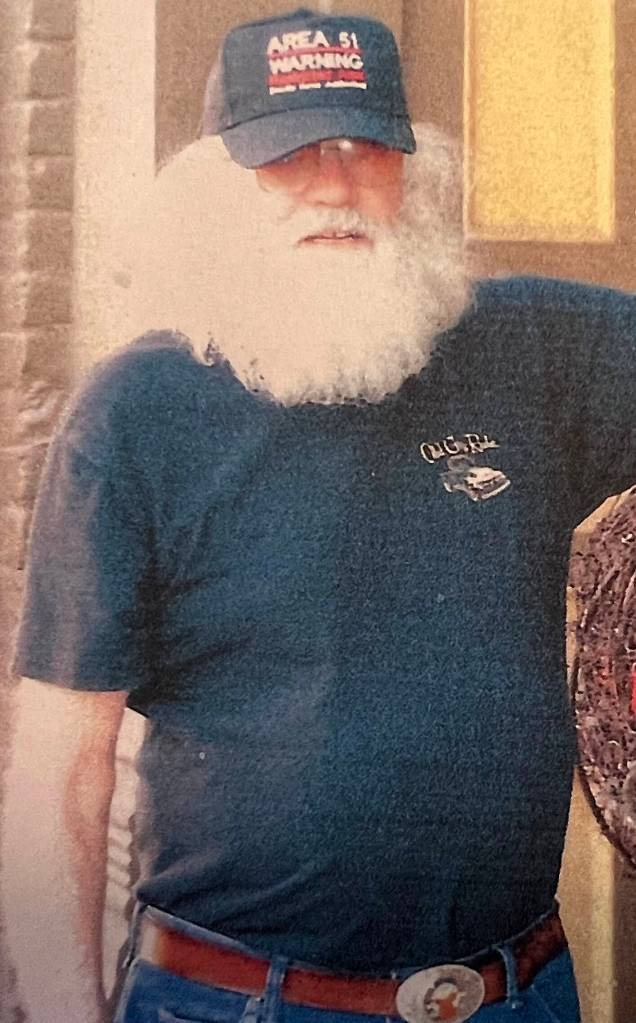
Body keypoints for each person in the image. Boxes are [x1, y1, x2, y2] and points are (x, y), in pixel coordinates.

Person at [2, 8, 635, 1023]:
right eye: (289, 154)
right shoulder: (136, 410)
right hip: (231, 1001)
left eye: (364, 150)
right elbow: (60, 773)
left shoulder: (537, 350)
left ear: (412, 174)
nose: (334, 187)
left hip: (514, 993)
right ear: (214, 188)